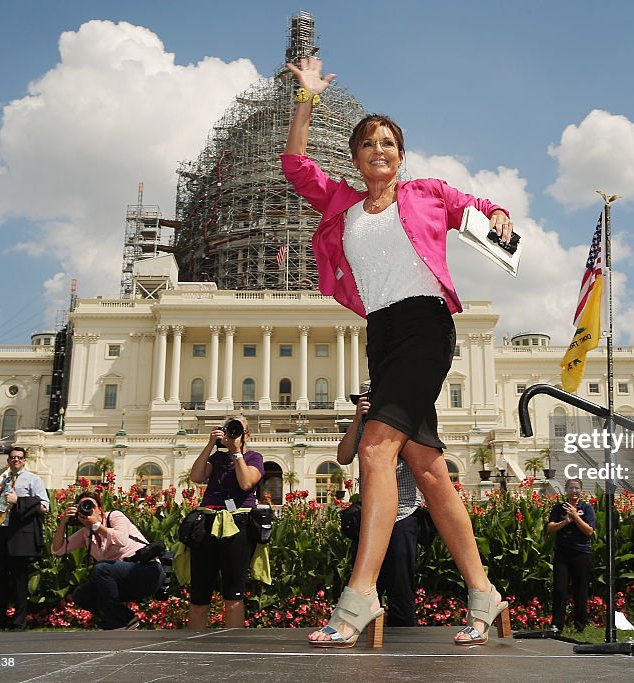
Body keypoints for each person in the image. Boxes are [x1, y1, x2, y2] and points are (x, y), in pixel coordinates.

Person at [283, 56, 514, 648]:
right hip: (381, 333)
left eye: (388, 143)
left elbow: (480, 207)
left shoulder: (427, 193)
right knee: (431, 472)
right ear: (355, 158)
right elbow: (294, 164)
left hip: (426, 326)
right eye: (367, 144)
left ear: (400, 154)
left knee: (376, 448)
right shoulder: (343, 205)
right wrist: (307, 98)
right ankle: (485, 593)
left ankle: (359, 596)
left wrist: (501, 215)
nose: (378, 151)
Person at [338, 382, 422, 627]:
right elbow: (343, 457)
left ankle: (405, 650)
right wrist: (357, 420)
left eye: (369, 398)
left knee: (401, 591)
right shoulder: (363, 426)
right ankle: (363, 640)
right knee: (365, 586)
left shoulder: (403, 422)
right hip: (371, 516)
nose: (365, 402)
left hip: (402, 513)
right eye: (361, 399)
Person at [186, 415, 264, 629]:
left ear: (247, 434)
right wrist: (211, 443)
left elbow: (246, 482)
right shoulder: (217, 459)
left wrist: (237, 452)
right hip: (207, 523)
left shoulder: (254, 457)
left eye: (238, 429)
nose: (233, 432)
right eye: (230, 427)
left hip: (238, 525)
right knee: (199, 597)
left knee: (233, 595)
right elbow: (196, 476)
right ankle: (192, 645)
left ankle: (234, 645)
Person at [51, 491, 163, 630]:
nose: (87, 509)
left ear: (100, 509)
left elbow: (121, 539)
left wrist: (96, 525)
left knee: (102, 568)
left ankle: (117, 621)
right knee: (81, 594)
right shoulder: (86, 533)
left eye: (90, 505)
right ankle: (125, 620)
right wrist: (63, 522)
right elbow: (58, 550)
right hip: (122, 581)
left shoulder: (114, 516)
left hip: (147, 572)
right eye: (82, 506)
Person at [0, 446, 48, 630]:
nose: (16, 460)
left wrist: (18, 501)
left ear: (24, 460)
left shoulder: (33, 480)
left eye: (19, 458)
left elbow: (44, 506)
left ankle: (19, 621)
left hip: (19, 535)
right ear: (8, 461)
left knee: (20, 580)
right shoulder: (4, 480)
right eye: (13, 458)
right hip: (0, 532)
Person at [546, 478, 595, 633]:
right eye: (571, 488)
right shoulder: (559, 508)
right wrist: (565, 521)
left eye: (577, 488)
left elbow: (589, 531)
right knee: (560, 589)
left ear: (581, 491)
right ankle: (557, 624)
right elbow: (550, 528)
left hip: (581, 554)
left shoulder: (586, 508)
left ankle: (580, 625)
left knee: (580, 590)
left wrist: (575, 516)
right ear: (566, 490)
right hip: (562, 554)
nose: (574, 491)